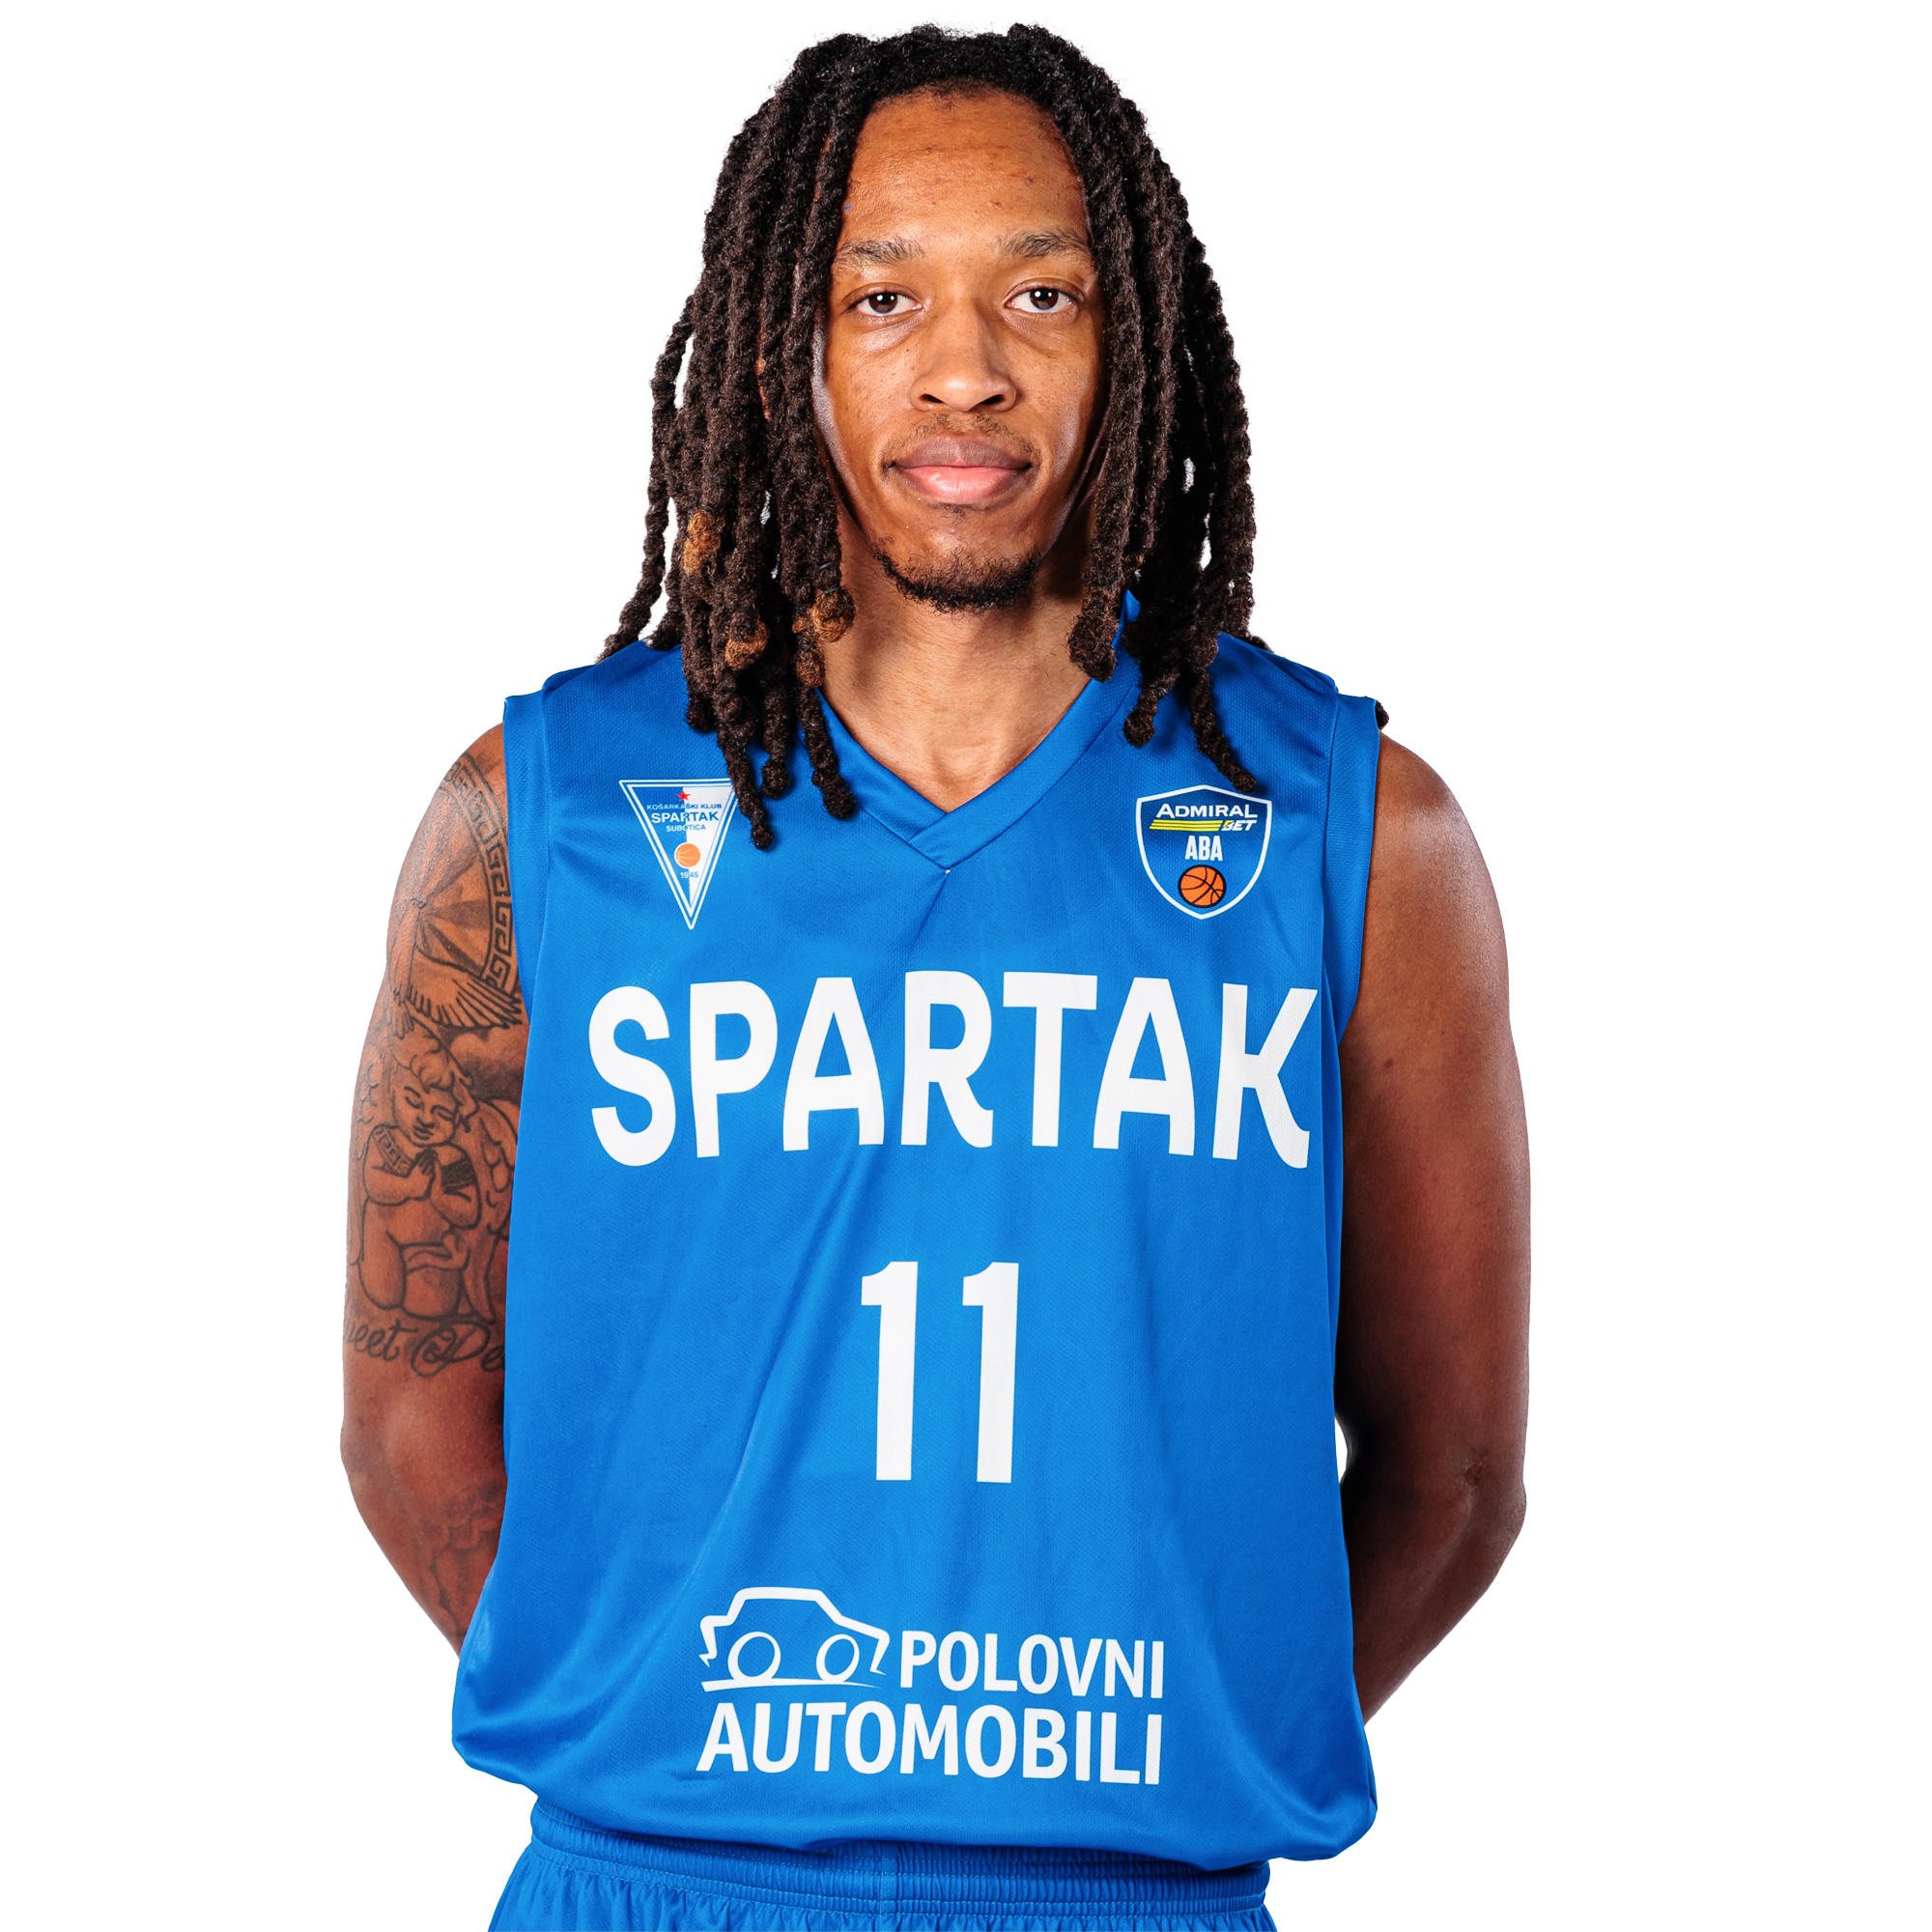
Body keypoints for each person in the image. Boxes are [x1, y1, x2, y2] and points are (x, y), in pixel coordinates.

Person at [341, 20, 1529, 1931]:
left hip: (1130, 1897)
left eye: (1040, 294)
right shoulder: (538, 817)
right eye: (880, 294)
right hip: (655, 1888)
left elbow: (1452, 1472)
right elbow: (409, 1411)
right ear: (780, 347)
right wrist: (666, 1733)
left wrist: (1169, 1752)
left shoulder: (1355, 834)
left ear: (1132, 337)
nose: (962, 366)